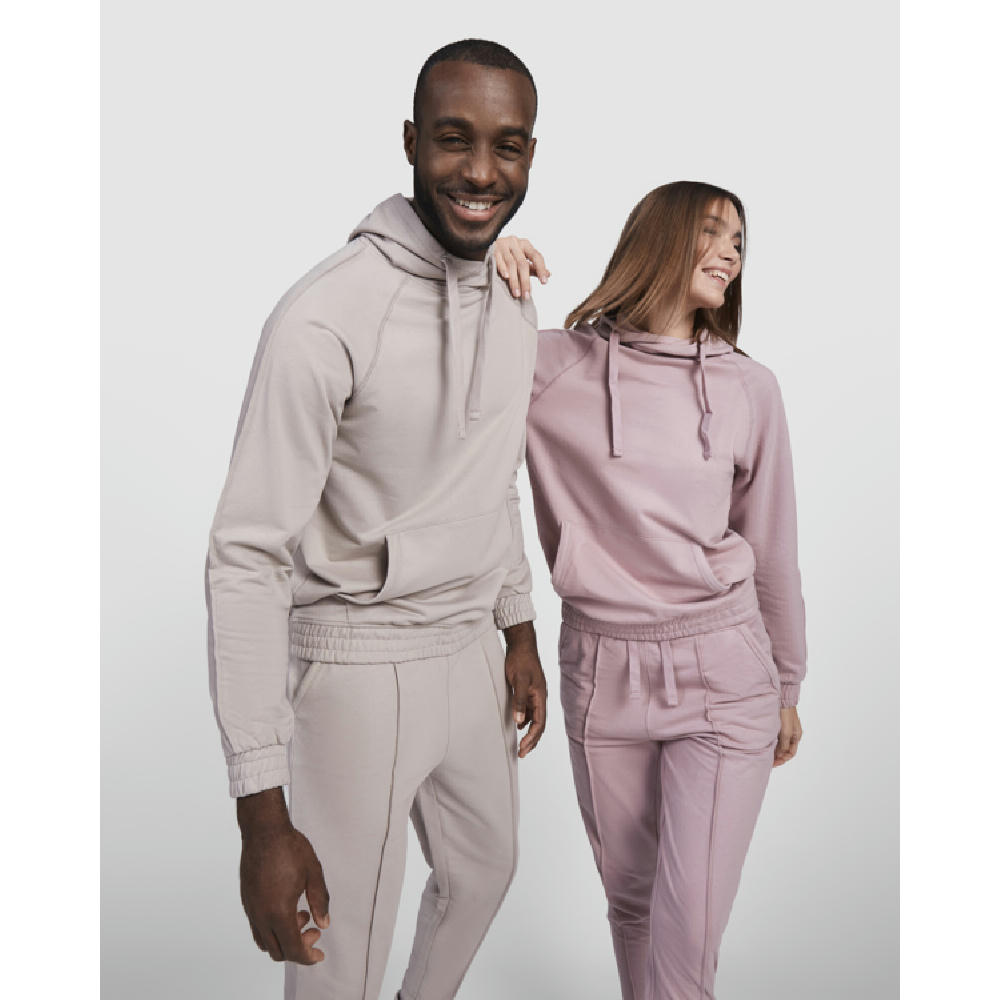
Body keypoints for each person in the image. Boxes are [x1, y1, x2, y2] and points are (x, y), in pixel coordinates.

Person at [205, 39, 548, 1000]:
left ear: (531, 154)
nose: (480, 171)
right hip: (358, 661)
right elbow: (246, 555)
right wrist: (261, 815)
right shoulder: (324, 317)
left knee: (485, 871)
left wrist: (518, 625)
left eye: (507, 146)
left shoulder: (513, 297)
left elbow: (494, 472)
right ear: (409, 141)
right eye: (453, 139)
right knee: (339, 951)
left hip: (469, 651)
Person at [496, 180, 806, 999]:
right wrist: (484, 268)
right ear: (659, 239)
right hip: (600, 667)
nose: (731, 253)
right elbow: (444, 360)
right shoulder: (551, 366)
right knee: (631, 905)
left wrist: (788, 681)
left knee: (688, 924)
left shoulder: (748, 388)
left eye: (740, 241)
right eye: (713, 232)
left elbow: (772, 547)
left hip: (724, 666)